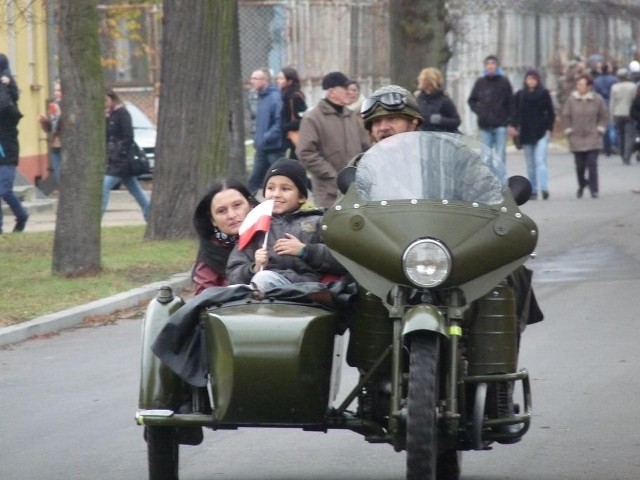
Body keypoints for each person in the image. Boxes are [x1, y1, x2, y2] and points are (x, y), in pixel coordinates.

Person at [226, 158, 345, 291]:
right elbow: (233, 273)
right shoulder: (255, 224)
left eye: (285, 189)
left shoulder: (317, 222)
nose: (276, 194)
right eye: (270, 188)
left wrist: (305, 251)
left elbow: (343, 259)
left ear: (301, 197)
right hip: (261, 290)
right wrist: (253, 267)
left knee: (263, 279)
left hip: (303, 291)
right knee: (231, 291)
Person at [296, 71, 370, 208]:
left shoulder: (352, 117)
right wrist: (333, 175)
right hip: (328, 193)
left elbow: (366, 147)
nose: (350, 92)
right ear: (331, 92)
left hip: (357, 189)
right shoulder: (312, 118)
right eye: (345, 89)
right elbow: (305, 152)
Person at [192, 179, 258, 295]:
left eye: (237, 205)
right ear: (213, 220)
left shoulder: (273, 234)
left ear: (251, 204)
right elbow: (203, 300)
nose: (231, 215)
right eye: (222, 211)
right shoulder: (210, 254)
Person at [101, 89, 150, 221]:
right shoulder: (108, 115)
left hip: (122, 160)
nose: (104, 103)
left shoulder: (122, 113)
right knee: (136, 190)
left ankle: (97, 218)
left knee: (104, 187)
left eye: (105, 100)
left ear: (112, 99)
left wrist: (119, 151)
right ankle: (150, 212)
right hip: (114, 159)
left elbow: (128, 136)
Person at [509, 69, 555, 200]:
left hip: (541, 131)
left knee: (540, 160)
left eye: (534, 79)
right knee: (530, 164)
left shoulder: (544, 93)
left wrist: (549, 128)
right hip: (526, 132)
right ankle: (533, 190)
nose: (531, 82)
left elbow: (550, 112)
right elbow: (515, 113)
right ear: (525, 80)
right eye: (529, 79)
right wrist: (513, 126)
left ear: (538, 80)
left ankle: (544, 188)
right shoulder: (520, 95)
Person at [562, 74, 608, 199]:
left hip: (593, 136)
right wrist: (568, 130)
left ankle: (594, 189)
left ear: (589, 86)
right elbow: (566, 115)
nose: (579, 87)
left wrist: (600, 129)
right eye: (578, 84)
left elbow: (604, 115)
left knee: (592, 164)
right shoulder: (572, 99)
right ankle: (582, 184)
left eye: (581, 84)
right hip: (576, 136)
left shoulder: (597, 99)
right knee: (580, 166)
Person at [467, 54, 514, 165]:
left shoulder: (504, 82)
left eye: (493, 64)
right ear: (485, 66)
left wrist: (509, 120)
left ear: (497, 66)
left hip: (500, 125)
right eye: (488, 64)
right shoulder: (480, 82)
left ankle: (500, 181)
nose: (490, 66)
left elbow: (511, 103)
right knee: (485, 157)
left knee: (500, 156)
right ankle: (488, 181)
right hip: (485, 125)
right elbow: (472, 100)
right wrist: (480, 111)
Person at [0, 53, 28, 234]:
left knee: (4, 189)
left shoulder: (9, 108)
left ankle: (22, 215)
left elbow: (7, 105)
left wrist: (5, 85)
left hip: (7, 150)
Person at [247, 68, 283, 193]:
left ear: (265, 80)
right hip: (262, 148)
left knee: (281, 177)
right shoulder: (259, 98)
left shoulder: (274, 97)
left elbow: (279, 121)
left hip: (273, 148)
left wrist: (267, 137)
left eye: (256, 79)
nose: (252, 81)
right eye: (252, 78)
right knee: (254, 181)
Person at [415, 67, 461, 133]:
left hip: (439, 137)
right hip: (422, 136)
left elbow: (456, 121)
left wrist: (439, 120)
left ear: (429, 81)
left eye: (421, 79)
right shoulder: (418, 98)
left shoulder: (444, 100)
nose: (418, 81)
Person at [275, 67, 307, 160]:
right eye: (278, 78)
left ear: (290, 81)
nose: (278, 81)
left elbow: (302, 119)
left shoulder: (295, 97)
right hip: (285, 138)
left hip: (292, 140)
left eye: (281, 78)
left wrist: (284, 126)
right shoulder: (283, 96)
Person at [609, 68, 638, 165]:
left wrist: (611, 115)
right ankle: (627, 155)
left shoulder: (614, 87)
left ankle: (622, 152)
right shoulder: (633, 86)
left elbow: (612, 102)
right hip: (629, 113)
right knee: (629, 136)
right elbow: (634, 100)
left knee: (620, 135)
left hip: (618, 113)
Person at [38, 80, 63, 183]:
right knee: (58, 175)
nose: (57, 93)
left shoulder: (70, 105)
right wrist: (44, 122)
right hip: (54, 144)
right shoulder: (53, 104)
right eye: (55, 90)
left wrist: (61, 115)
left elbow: (71, 124)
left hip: (66, 145)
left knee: (65, 175)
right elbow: (50, 128)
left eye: (59, 90)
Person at [593, 63, 618, 156]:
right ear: (608, 69)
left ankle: (605, 146)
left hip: (599, 103)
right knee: (612, 125)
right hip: (610, 102)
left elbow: (594, 91)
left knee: (602, 124)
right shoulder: (613, 79)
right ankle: (613, 144)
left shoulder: (596, 80)